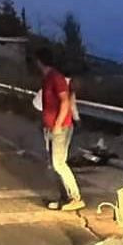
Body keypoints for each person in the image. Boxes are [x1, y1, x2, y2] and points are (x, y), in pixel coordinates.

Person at [34, 48, 84, 211]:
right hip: (51, 127)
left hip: (60, 128)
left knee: (59, 164)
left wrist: (57, 125)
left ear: (39, 62)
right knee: (54, 165)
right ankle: (65, 197)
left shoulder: (56, 78)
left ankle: (75, 197)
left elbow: (65, 101)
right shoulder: (48, 78)